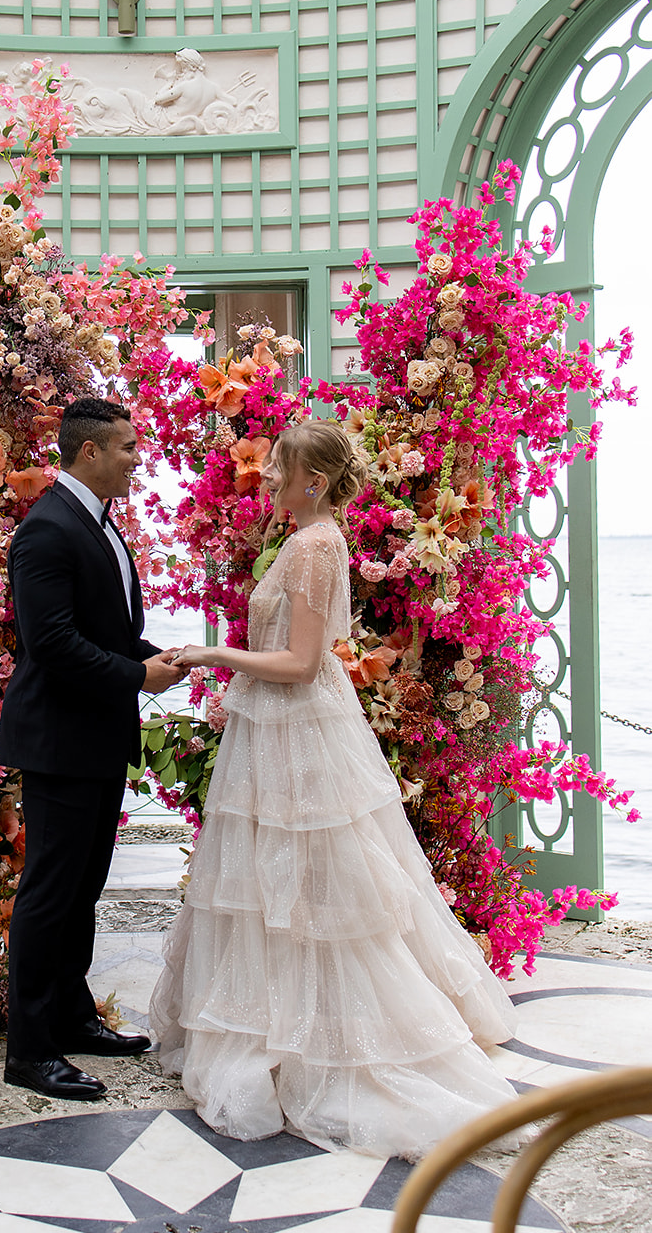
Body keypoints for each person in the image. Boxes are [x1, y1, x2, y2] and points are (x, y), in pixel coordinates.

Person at [149, 419, 518, 1157]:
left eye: (280, 470)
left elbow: (301, 661)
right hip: (275, 729)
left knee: (313, 884)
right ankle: (281, 1017)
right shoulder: (309, 539)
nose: (268, 481)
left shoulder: (315, 545)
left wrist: (208, 653)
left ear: (310, 480)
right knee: (280, 883)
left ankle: (318, 1032)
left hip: (296, 730)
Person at [0, 396, 183, 1101]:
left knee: (80, 894)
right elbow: (49, 645)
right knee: (48, 897)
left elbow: (97, 631)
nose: (139, 459)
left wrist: (150, 653)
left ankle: (74, 1019)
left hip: (96, 738)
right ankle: (30, 1051)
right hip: (58, 741)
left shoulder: (96, 522)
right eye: (129, 447)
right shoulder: (46, 530)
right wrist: (137, 675)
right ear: (90, 453)